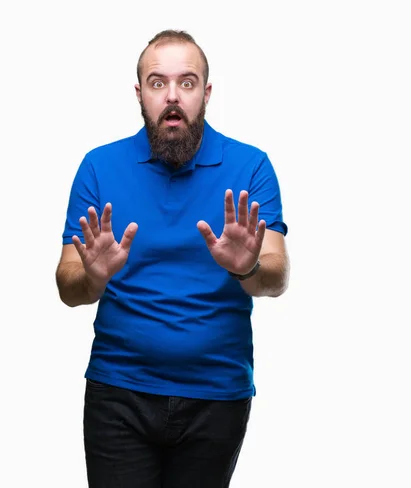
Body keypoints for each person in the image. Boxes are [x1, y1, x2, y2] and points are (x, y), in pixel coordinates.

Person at [55, 29, 289, 488]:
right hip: (118, 393)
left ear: (207, 92)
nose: (173, 96)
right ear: (140, 93)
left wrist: (247, 267)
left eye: (187, 82)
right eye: (158, 83)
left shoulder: (251, 166)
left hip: (216, 397)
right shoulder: (99, 167)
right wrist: (93, 279)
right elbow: (67, 283)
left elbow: (277, 276)